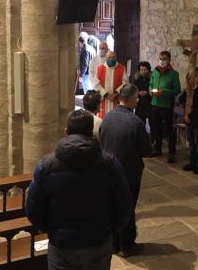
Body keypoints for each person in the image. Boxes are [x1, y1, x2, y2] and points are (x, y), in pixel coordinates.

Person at [26, 109, 132, 270]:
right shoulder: (109, 164)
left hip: (63, 244)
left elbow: (33, 209)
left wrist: (52, 230)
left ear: (66, 132)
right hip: (98, 241)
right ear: (91, 132)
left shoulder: (46, 165)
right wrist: (109, 230)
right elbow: (125, 206)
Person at [99, 84, 152, 257]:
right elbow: (146, 151)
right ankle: (127, 245)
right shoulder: (135, 122)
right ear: (133, 99)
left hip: (108, 171)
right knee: (127, 208)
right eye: (136, 97)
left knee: (112, 206)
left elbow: (101, 140)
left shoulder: (107, 117)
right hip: (128, 172)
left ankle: (113, 243)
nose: (138, 100)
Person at [149, 51, 181, 162]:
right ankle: (157, 148)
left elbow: (177, 90)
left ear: (169, 60)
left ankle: (171, 153)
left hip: (166, 105)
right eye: (160, 58)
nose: (162, 61)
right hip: (155, 103)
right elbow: (151, 84)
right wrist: (150, 90)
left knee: (168, 129)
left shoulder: (173, 74)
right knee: (156, 127)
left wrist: (163, 92)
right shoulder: (155, 72)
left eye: (164, 59)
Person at [178, 66, 198, 174]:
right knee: (191, 142)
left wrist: (189, 116)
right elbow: (182, 99)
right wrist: (185, 92)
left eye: (195, 76)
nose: (193, 78)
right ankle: (192, 162)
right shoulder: (191, 87)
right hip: (189, 119)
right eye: (192, 76)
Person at [95, 51, 128, 118]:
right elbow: (96, 84)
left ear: (116, 57)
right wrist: (106, 95)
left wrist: (116, 93)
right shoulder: (99, 69)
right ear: (106, 58)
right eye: (109, 57)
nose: (111, 59)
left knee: (116, 119)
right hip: (104, 99)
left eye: (113, 57)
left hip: (116, 98)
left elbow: (125, 83)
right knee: (103, 120)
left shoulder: (122, 68)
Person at [133, 61, 152, 130]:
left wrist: (147, 92)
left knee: (152, 124)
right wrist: (138, 93)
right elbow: (134, 90)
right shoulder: (137, 79)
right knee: (140, 124)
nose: (143, 72)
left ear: (149, 70)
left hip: (150, 104)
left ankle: (153, 139)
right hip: (140, 104)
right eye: (141, 70)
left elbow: (154, 89)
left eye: (145, 70)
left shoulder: (152, 79)